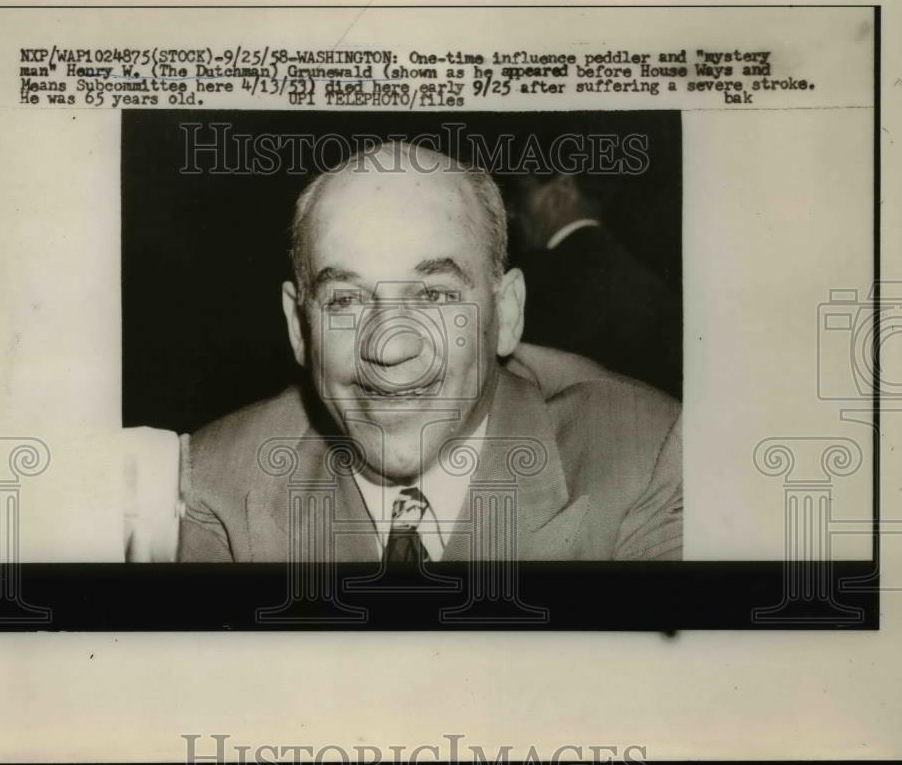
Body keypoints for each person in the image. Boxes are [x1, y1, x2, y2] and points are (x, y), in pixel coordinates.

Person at [178, 142, 681, 563]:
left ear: (505, 314)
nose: (390, 347)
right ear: (298, 327)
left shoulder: (646, 453)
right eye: (346, 300)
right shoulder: (215, 484)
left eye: (435, 296)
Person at [511, 172, 683, 397]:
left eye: (522, 192)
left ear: (561, 189)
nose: (511, 212)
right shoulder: (641, 277)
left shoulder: (534, 278)